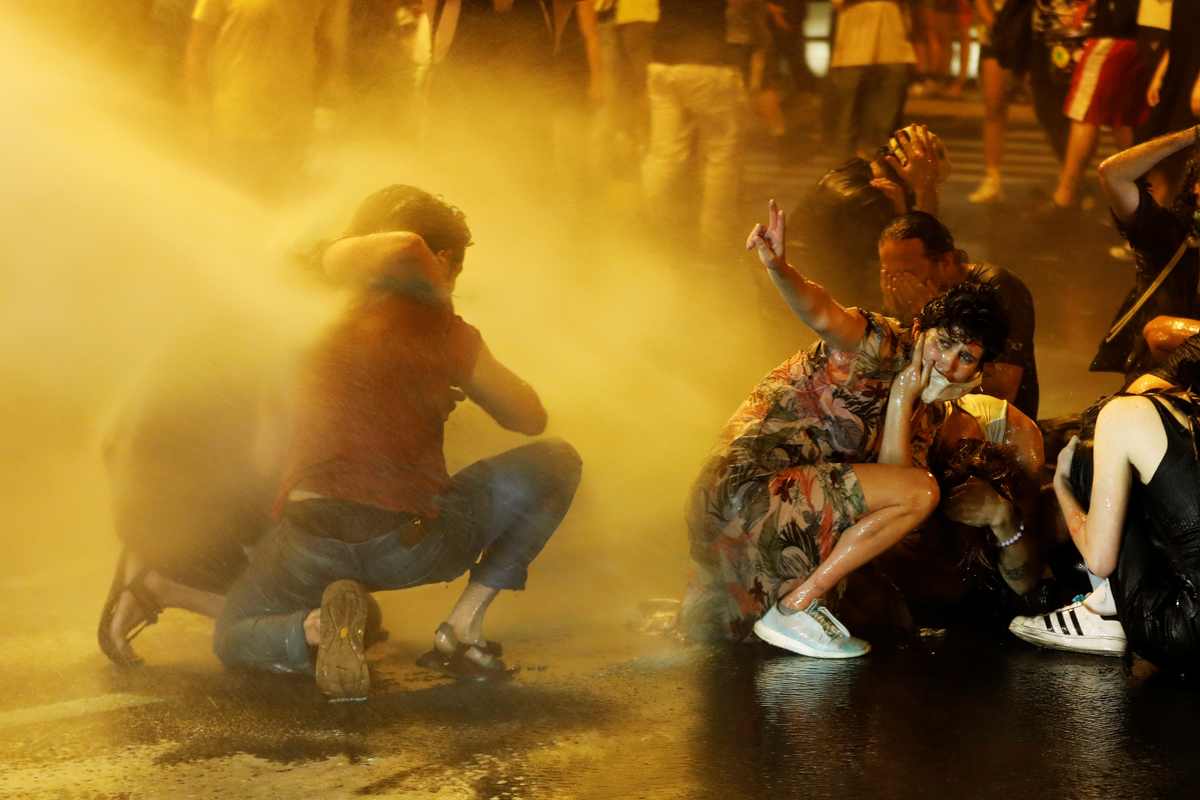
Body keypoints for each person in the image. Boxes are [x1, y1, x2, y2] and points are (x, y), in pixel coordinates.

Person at [212, 186, 582, 700]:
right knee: (558, 461)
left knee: (231, 634)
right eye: (453, 268)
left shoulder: (307, 323)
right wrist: (447, 354)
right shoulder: (445, 329)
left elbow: (265, 461)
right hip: (404, 548)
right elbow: (531, 417)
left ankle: (315, 626)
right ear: (444, 260)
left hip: (308, 542)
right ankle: (462, 630)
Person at [677, 199, 1012, 658]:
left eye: (966, 358)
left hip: (783, 508)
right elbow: (822, 312)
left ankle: (793, 608)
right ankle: (797, 606)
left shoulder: (929, 409)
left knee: (877, 615)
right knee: (918, 499)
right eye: (943, 344)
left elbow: (894, 489)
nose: (947, 363)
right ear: (920, 329)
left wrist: (905, 397)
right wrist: (778, 267)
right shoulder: (878, 342)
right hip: (748, 490)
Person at [1009, 384, 1200, 670]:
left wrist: (1063, 482)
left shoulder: (1119, 415)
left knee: (1085, 455)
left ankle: (1103, 611)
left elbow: (1100, 561)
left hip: (1184, 633)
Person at [878, 211, 1040, 418]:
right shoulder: (902, 299)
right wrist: (897, 326)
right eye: (889, 275)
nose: (896, 285)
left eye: (905, 275)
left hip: (996, 426)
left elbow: (1003, 390)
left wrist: (934, 316)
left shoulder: (998, 287)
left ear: (945, 262)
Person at [185, 0, 349, 199]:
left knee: (282, 213)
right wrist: (198, 119)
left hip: (292, 134)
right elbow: (197, 50)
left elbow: (326, 47)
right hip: (233, 127)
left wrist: (315, 104)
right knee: (229, 212)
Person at [1090, 125, 1200, 378]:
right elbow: (1112, 174)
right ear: (1195, 187)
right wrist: (1194, 135)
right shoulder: (1168, 234)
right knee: (1162, 331)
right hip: (1158, 378)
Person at [642, 0, 745, 251]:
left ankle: (653, 233)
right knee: (720, 156)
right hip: (707, 65)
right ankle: (714, 240)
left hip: (663, 65)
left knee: (664, 154)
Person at [1033, 0, 1146, 217]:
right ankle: (1137, 201)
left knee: (1083, 111)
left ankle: (1066, 195)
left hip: (1115, 32)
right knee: (1124, 118)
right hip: (1134, 30)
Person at [825, 0, 916, 161]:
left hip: (893, 48)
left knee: (887, 127)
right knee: (848, 122)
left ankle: (884, 174)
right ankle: (845, 176)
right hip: (852, 53)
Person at [969, 0, 1018, 204]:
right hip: (997, 33)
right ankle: (992, 179)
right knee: (993, 105)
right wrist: (993, 22)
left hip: (1027, 28)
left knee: (1045, 108)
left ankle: (1070, 178)